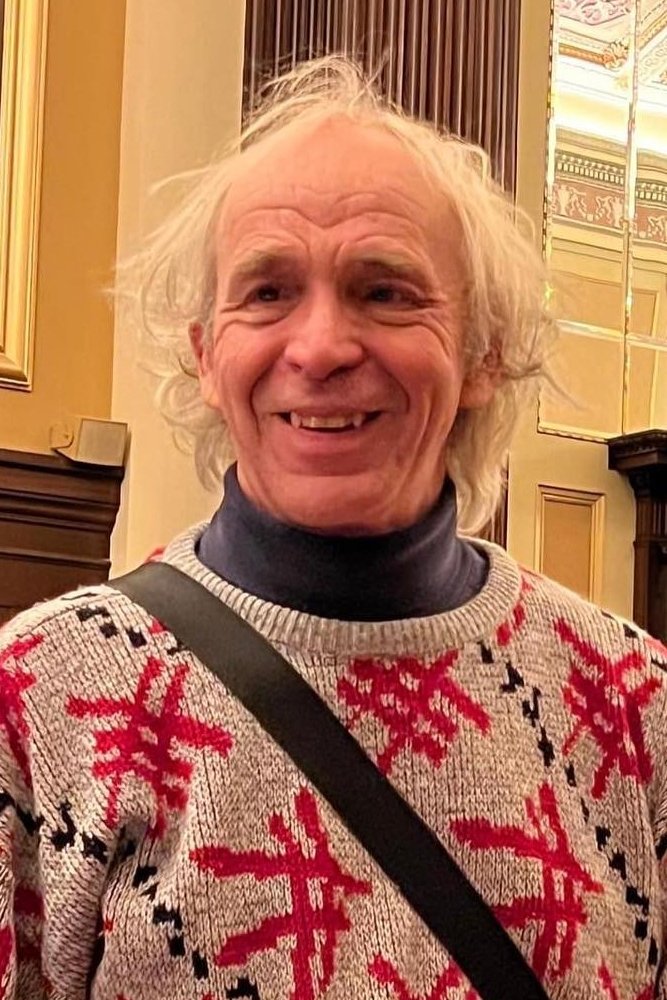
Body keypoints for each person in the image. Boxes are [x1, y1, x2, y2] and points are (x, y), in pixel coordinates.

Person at [1, 56, 665, 1000]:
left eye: (385, 291)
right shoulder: (37, 702)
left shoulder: (634, 707)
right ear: (205, 355)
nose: (318, 349)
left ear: (483, 353)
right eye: (267, 292)